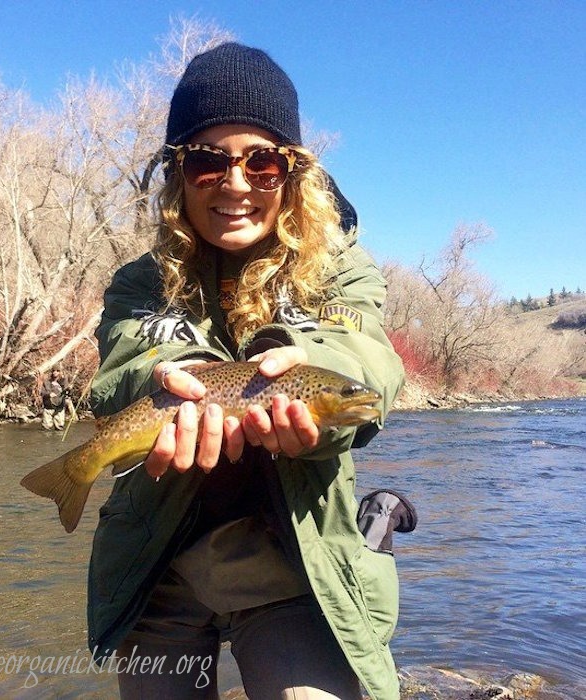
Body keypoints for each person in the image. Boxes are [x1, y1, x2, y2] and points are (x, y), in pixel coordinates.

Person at [88, 43, 407, 700]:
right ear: (179, 174)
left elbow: (367, 357)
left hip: (295, 570)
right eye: (208, 162)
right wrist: (166, 384)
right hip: (159, 567)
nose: (236, 183)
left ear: (292, 174)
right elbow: (122, 372)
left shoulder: (340, 269)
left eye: (262, 161)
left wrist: (313, 362)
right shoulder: (137, 284)